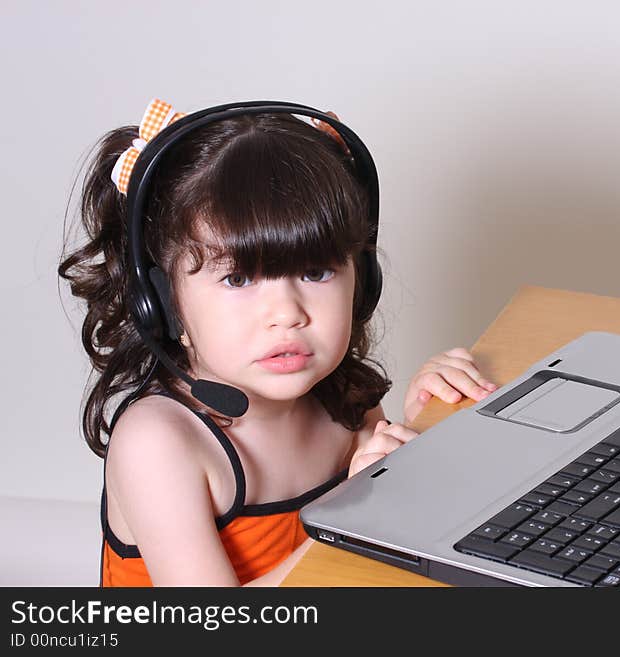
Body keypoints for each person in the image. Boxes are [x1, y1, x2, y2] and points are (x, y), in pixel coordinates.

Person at [58, 98, 498, 586]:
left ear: (363, 282)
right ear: (164, 303)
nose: (287, 313)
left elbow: (402, 546)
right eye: (239, 280)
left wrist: (432, 427)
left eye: (316, 271)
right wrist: (348, 527)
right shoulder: (160, 442)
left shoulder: (344, 400)